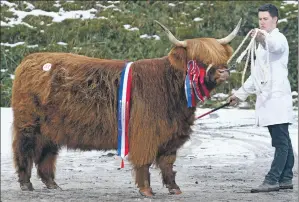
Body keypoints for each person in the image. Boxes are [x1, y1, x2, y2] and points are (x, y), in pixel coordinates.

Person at [227, 4, 294, 193]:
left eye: (265, 19)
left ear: (275, 20)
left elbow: (274, 46)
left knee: (280, 142)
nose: (262, 22)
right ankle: (286, 177)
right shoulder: (262, 47)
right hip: (269, 100)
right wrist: (239, 95)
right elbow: (255, 75)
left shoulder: (278, 39)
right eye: (260, 19)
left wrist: (262, 38)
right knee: (283, 140)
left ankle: (272, 179)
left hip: (277, 99)